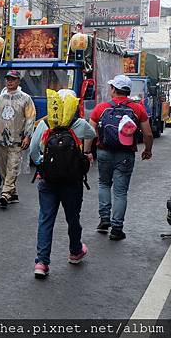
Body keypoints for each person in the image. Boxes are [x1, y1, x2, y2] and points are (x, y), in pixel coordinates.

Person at [29, 89, 95, 278]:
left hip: (48, 181)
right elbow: (92, 133)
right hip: (72, 181)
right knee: (73, 217)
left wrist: (43, 165)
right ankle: (75, 251)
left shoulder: (45, 124)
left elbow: (34, 150)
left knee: (45, 219)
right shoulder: (79, 124)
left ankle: (41, 262)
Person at [89, 75, 153, 240]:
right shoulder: (138, 109)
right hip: (126, 154)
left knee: (104, 184)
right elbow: (148, 133)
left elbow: (90, 131)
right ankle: (117, 228)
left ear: (113, 90)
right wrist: (147, 150)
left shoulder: (101, 108)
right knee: (120, 191)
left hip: (104, 152)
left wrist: (87, 151)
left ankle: (104, 219)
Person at [0, 70, 36, 208]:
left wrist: (28, 136)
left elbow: (30, 118)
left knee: (12, 167)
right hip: (0, 139)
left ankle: (5, 193)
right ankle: (12, 193)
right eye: (8, 79)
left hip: (16, 140)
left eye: (13, 79)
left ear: (18, 81)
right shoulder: (0, 98)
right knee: (2, 169)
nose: (10, 81)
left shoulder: (26, 99)